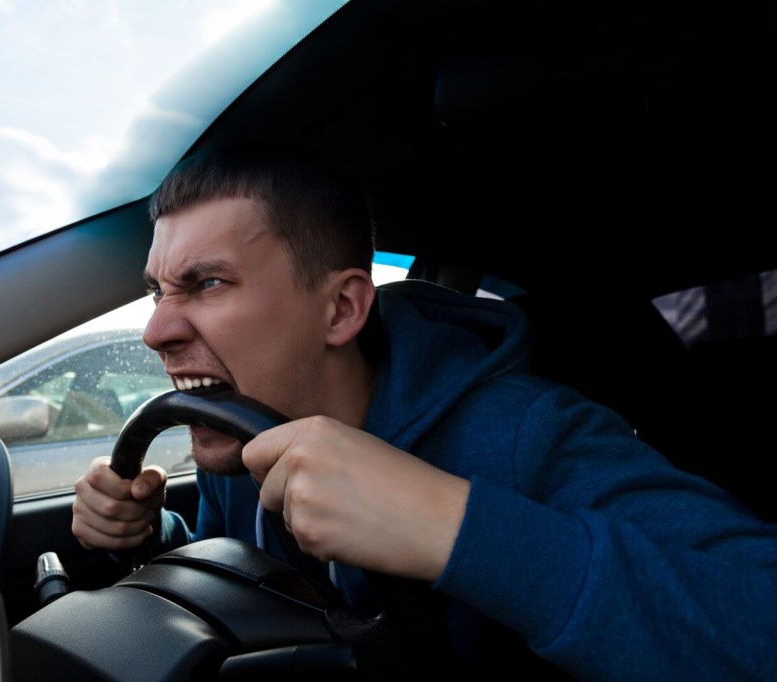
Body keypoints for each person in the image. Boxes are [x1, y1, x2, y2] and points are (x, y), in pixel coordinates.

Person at [72, 140, 777, 680]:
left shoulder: (523, 433)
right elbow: (253, 588)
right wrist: (146, 534)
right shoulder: (239, 433)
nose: (156, 331)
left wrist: (451, 524)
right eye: (159, 292)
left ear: (342, 307)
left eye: (208, 282)